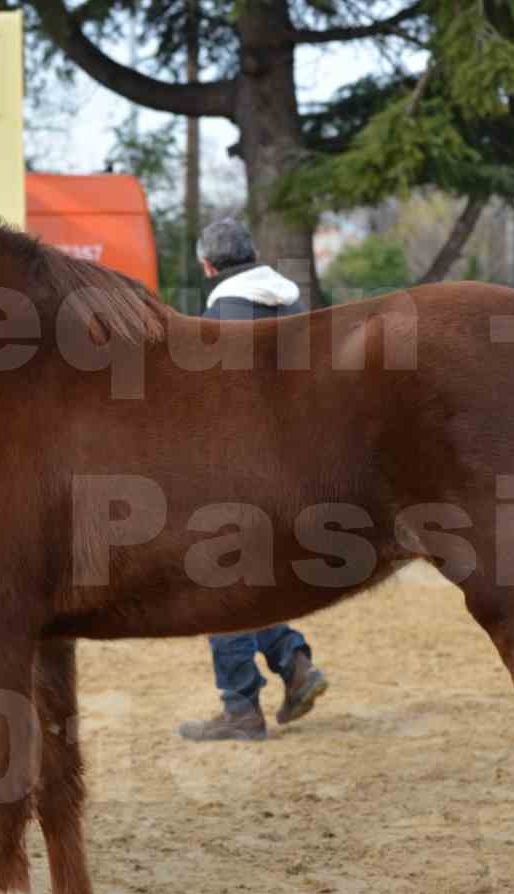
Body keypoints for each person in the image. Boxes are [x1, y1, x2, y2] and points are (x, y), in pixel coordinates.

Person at [176, 217, 330, 742]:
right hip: (296, 467)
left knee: (219, 582)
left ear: (207, 264)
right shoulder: (292, 303)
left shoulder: (222, 311)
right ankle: (293, 662)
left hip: (240, 469)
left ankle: (240, 706)